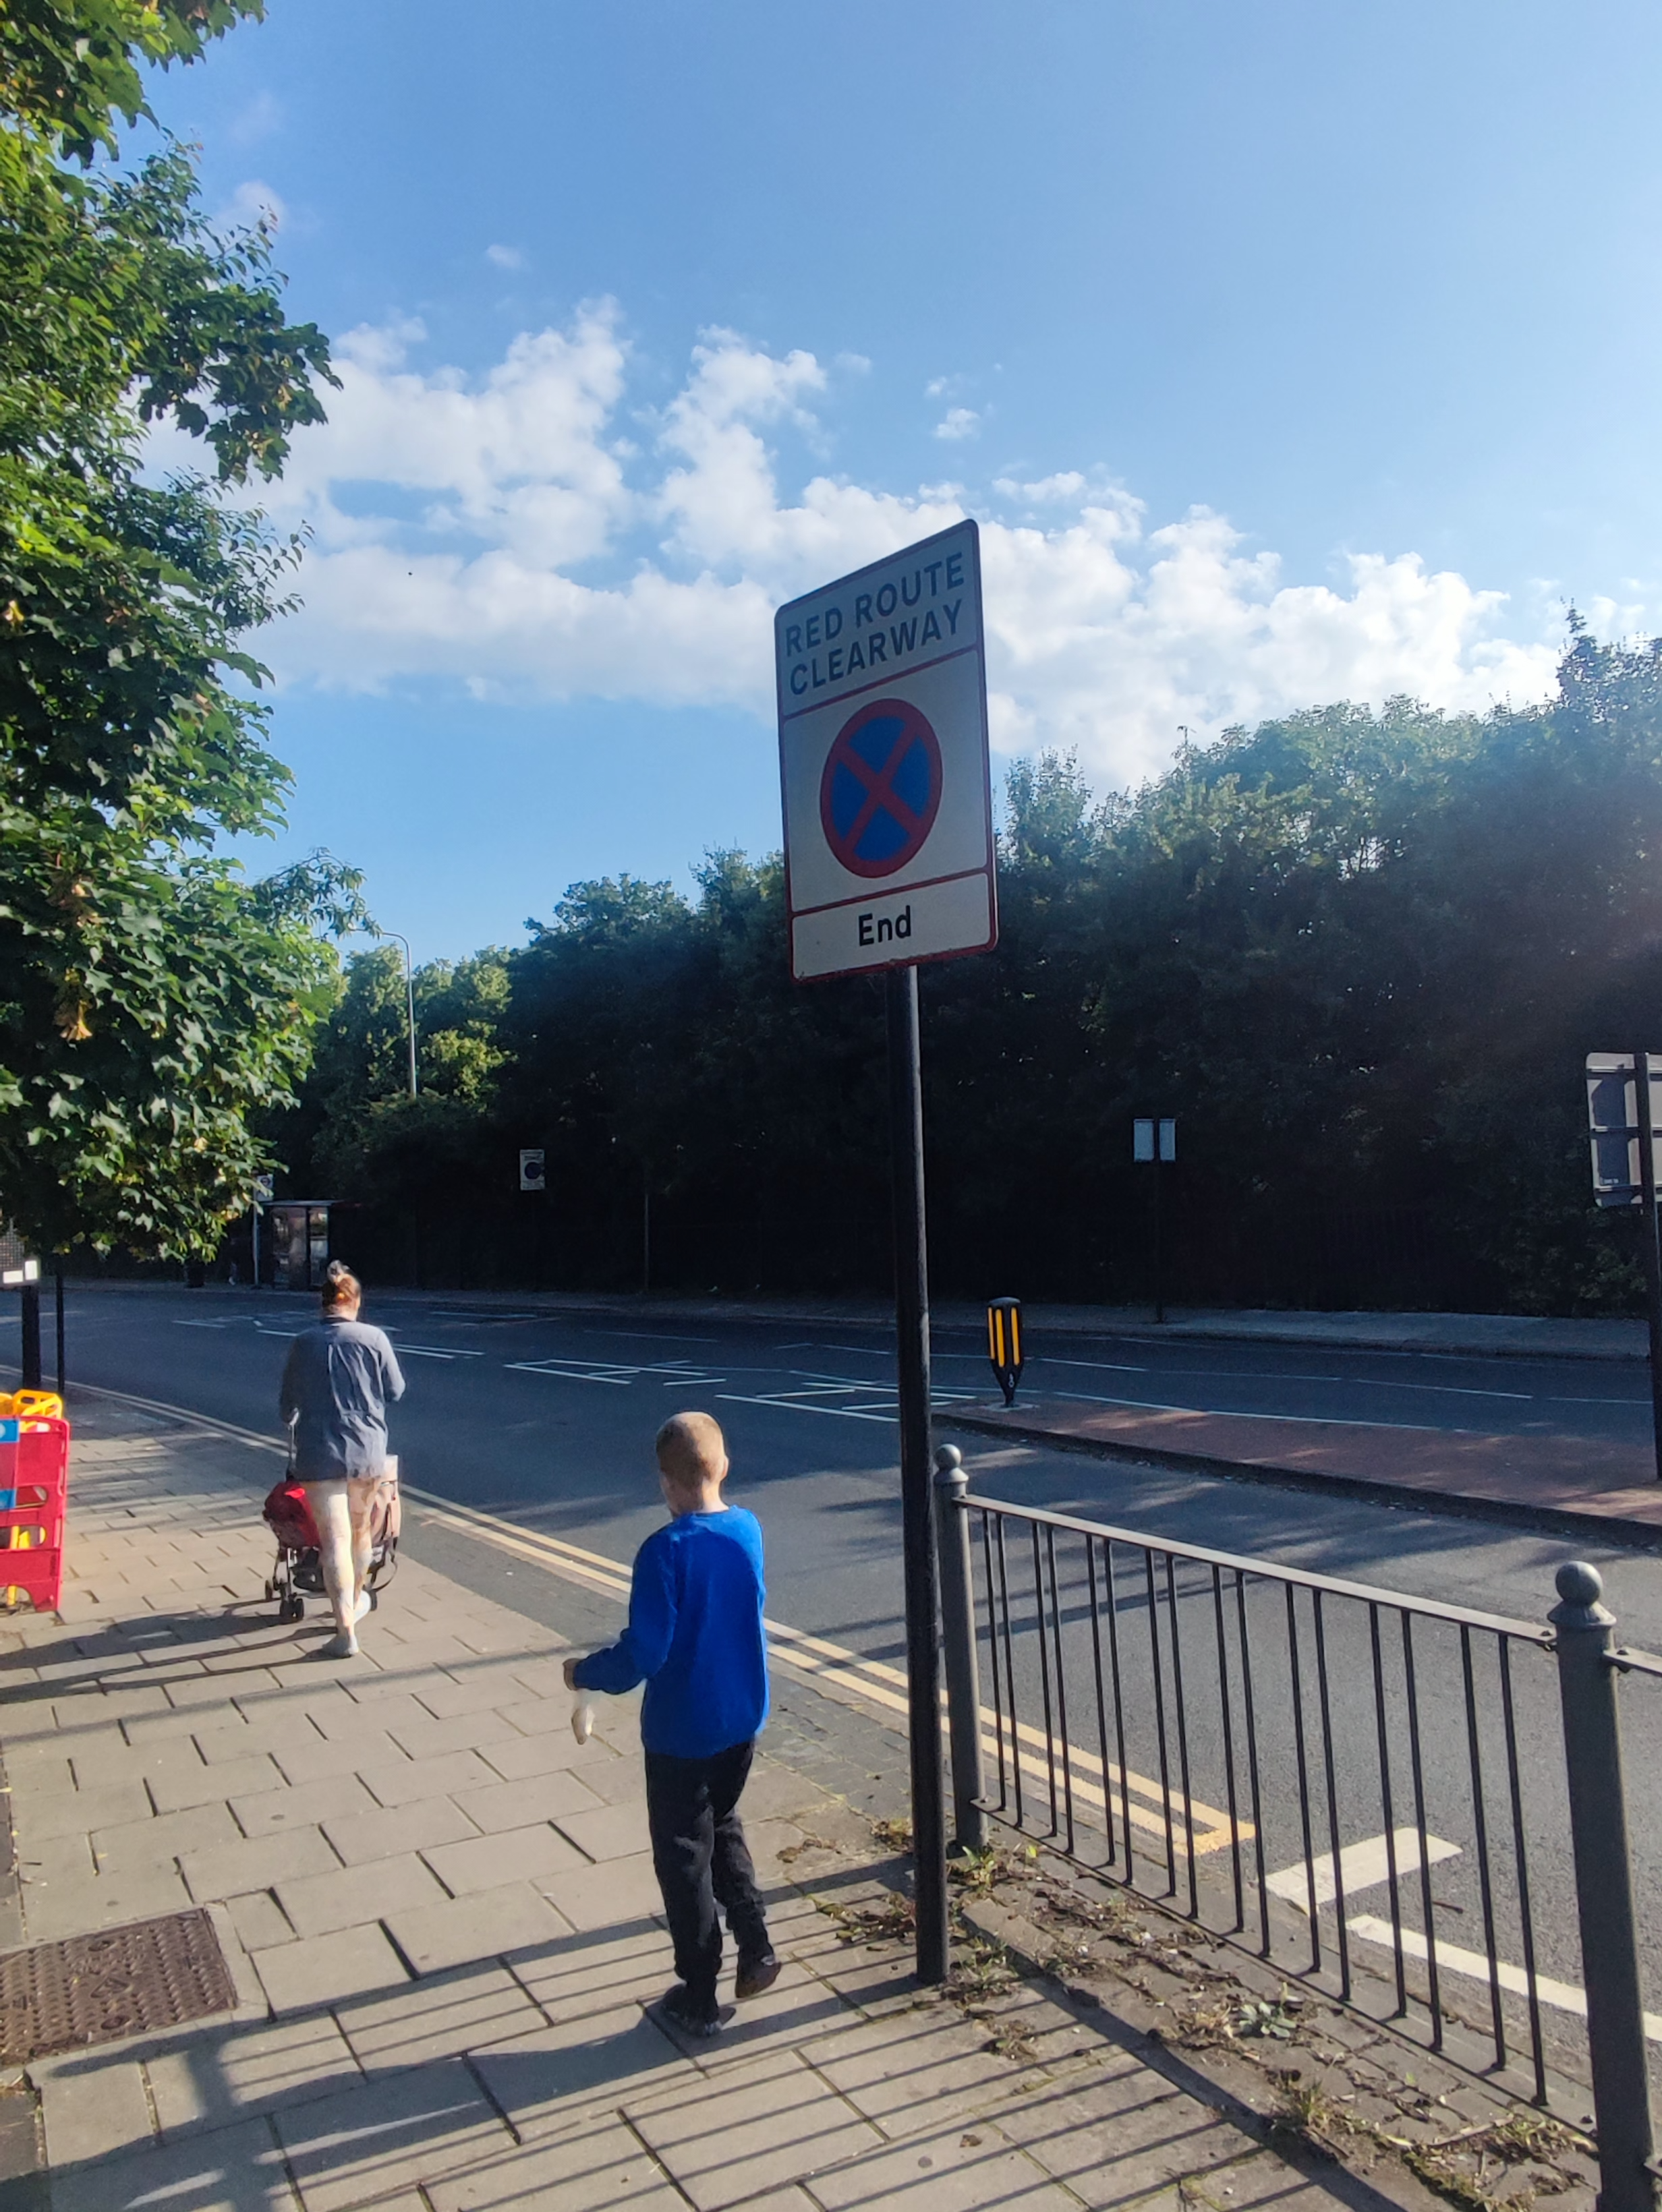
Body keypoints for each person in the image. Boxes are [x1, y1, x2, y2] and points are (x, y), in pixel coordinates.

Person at [565, 1411, 777, 2037]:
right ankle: (757, 1943)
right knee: (725, 1822)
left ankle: (699, 1992)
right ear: (724, 1468)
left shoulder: (663, 1552)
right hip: (742, 1717)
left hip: (682, 1732)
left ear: (666, 1483)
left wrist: (584, 1672)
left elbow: (644, 1655)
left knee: (684, 1855)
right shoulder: (748, 1529)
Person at [277, 1262, 405, 1659]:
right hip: (365, 1450)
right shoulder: (375, 1338)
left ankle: (345, 1630)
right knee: (361, 1533)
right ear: (357, 1302)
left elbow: (286, 1407)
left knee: (333, 1541)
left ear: (323, 1305)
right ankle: (358, 1597)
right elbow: (396, 1391)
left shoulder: (303, 1342)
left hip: (318, 1452)